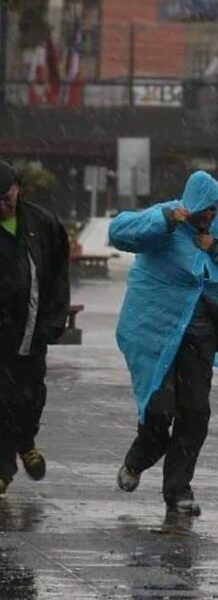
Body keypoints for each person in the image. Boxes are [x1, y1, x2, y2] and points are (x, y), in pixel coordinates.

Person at [109, 170, 218, 516]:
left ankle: (178, 490)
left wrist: (217, 248)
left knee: (195, 412)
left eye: (213, 209)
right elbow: (119, 232)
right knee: (160, 410)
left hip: (199, 334)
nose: (207, 216)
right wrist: (164, 221)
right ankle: (137, 460)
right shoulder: (169, 217)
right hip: (155, 330)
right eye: (202, 209)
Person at [0, 160, 70, 497]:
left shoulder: (42, 225)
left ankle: (26, 441)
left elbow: (58, 276)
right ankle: (3, 470)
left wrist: (54, 320)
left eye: (6, 196)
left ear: (17, 190)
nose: (2, 204)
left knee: (29, 395)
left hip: (31, 330)